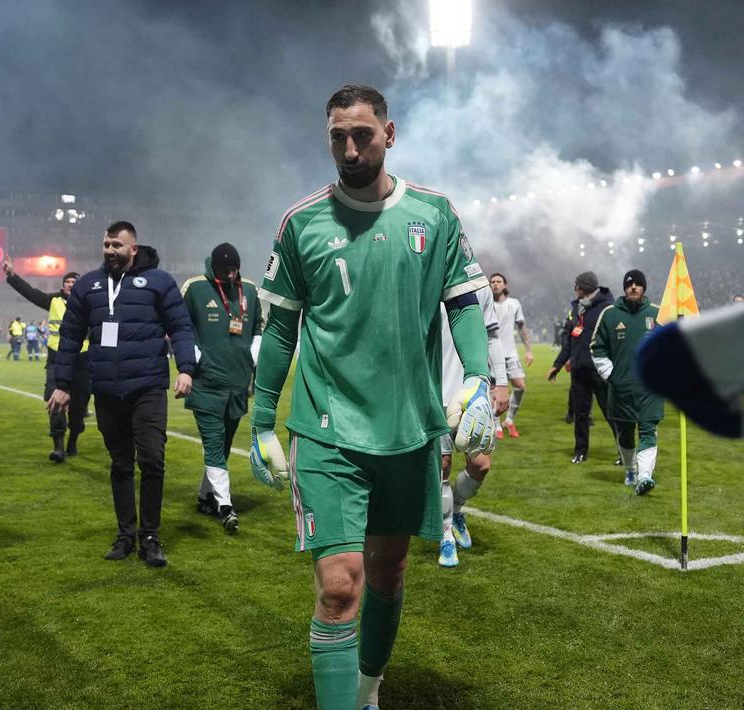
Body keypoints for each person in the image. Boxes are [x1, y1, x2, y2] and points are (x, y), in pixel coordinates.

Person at [247, 84, 495, 710]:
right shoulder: (301, 222)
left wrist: (478, 379)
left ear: (390, 133)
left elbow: (463, 302)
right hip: (328, 430)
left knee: (388, 574)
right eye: (338, 136)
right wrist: (261, 423)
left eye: (362, 134)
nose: (350, 148)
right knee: (339, 586)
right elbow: (280, 329)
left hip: (409, 429)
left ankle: (367, 689)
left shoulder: (434, 214)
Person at [48, 221, 196, 568]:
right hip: (107, 389)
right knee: (119, 463)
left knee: (152, 459)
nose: (110, 251)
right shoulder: (89, 285)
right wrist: (62, 383)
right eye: (106, 245)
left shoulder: (159, 282)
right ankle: (126, 534)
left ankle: (151, 536)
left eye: (117, 245)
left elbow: (180, 326)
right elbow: (70, 336)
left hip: (147, 387)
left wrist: (186, 368)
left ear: (134, 248)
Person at [180, 242, 264, 534]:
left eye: (235, 268)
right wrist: (191, 362)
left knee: (223, 444)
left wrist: (253, 366)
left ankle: (205, 497)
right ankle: (225, 508)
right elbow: (180, 326)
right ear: (212, 266)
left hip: (238, 384)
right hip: (206, 383)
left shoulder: (250, 291)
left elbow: (257, 329)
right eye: (225, 269)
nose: (231, 274)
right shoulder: (194, 288)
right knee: (214, 442)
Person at [437, 285, 508, 568]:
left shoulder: (478, 286)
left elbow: (492, 336)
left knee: (481, 465)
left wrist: (501, 382)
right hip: (433, 391)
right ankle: (445, 536)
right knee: (441, 466)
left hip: (472, 391)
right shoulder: (421, 274)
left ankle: (456, 510)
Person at [2, 260, 93, 462]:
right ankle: (58, 446)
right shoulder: (53, 301)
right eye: (67, 281)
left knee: (79, 407)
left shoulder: (90, 304)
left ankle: (73, 441)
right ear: (63, 286)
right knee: (54, 402)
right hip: (56, 361)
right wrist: (12, 276)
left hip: (82, 362)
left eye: (74, 281)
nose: (70, 284)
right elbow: (31, 292)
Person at [590, 269, 664, 494]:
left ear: (644, 288)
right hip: (620, 388)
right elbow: (596, 348)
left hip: (650, 388)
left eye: (638, 284)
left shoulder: (659, 314)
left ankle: (644, 476)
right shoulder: (610, 314)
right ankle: (630, 470)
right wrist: (612, 376)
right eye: (629, 285)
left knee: (648, 430)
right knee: (624, 432)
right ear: (624, 289)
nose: (633, 287)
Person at [548, 271, 614, 464]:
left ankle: (624, 451)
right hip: (579, 370)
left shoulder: (607, 308)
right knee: (581, 414)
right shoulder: (576, 308)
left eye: (576, 286)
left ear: (583, 287)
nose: (574, 289)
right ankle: (580, 452)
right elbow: (568, 341)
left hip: (600, 370)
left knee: (611, 412)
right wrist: (557, 365)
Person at [488, 272, 532, 438]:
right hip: (491, 354)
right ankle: (497, 424)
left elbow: (522, 327)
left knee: (520, 386)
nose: (495, 284)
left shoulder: (514, 304)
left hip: (510, 353)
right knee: (494, 389)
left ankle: (510, 420)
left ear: (505, 285)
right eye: (492, 282)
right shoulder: (486, 303)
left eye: (498, 281)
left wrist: (528, 350)